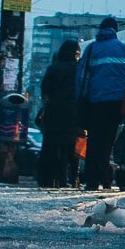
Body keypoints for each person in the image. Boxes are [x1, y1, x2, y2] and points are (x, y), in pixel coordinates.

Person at [76, 16, 125, 191]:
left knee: (95, 140)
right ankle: (113, 178)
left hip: (96, 102)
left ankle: (93, 180)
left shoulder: (93, 48)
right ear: (115, 30)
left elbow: (82, 77)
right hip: (118, 103)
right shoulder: (124, 50)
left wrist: (80, 99)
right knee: (112, 140)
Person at [36, 40, 80, 188]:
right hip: (72, 112)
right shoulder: (77, 69)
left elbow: (45, 88)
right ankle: (67, 179)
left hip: (54, 112)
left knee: (51, 147)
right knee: (69, 147)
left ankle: (47, 179)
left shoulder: (53, 68)